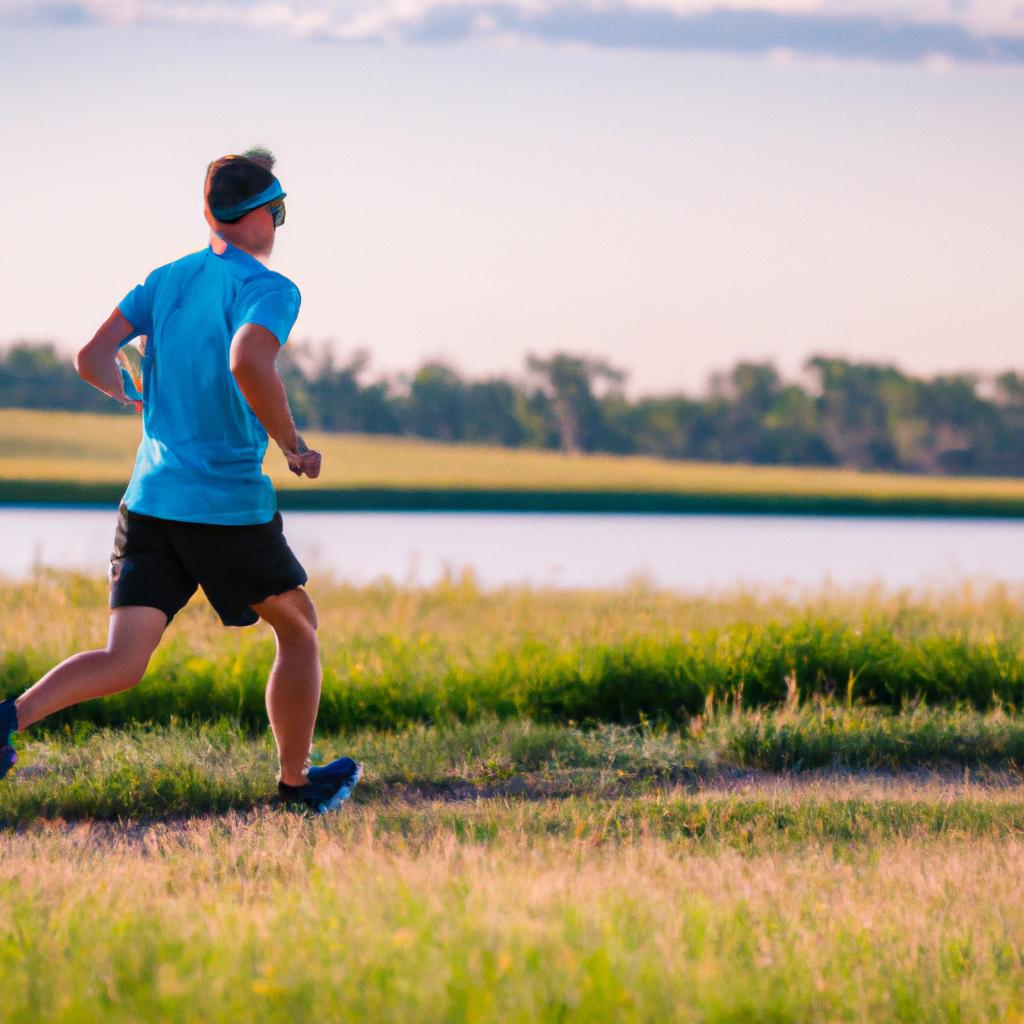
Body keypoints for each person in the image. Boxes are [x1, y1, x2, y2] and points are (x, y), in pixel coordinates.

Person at [0, 149, 360, 814]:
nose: (279, 225)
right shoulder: (268, 289)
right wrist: (293, 444)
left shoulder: (165, 280)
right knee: (300, 629)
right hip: (223, 506)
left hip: (150, 501)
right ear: (255, 217)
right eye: (278, 213)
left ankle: (4, 723)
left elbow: (90, 356)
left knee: (123, 660)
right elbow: (249, 358)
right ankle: (296, 784)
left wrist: (128, 392)